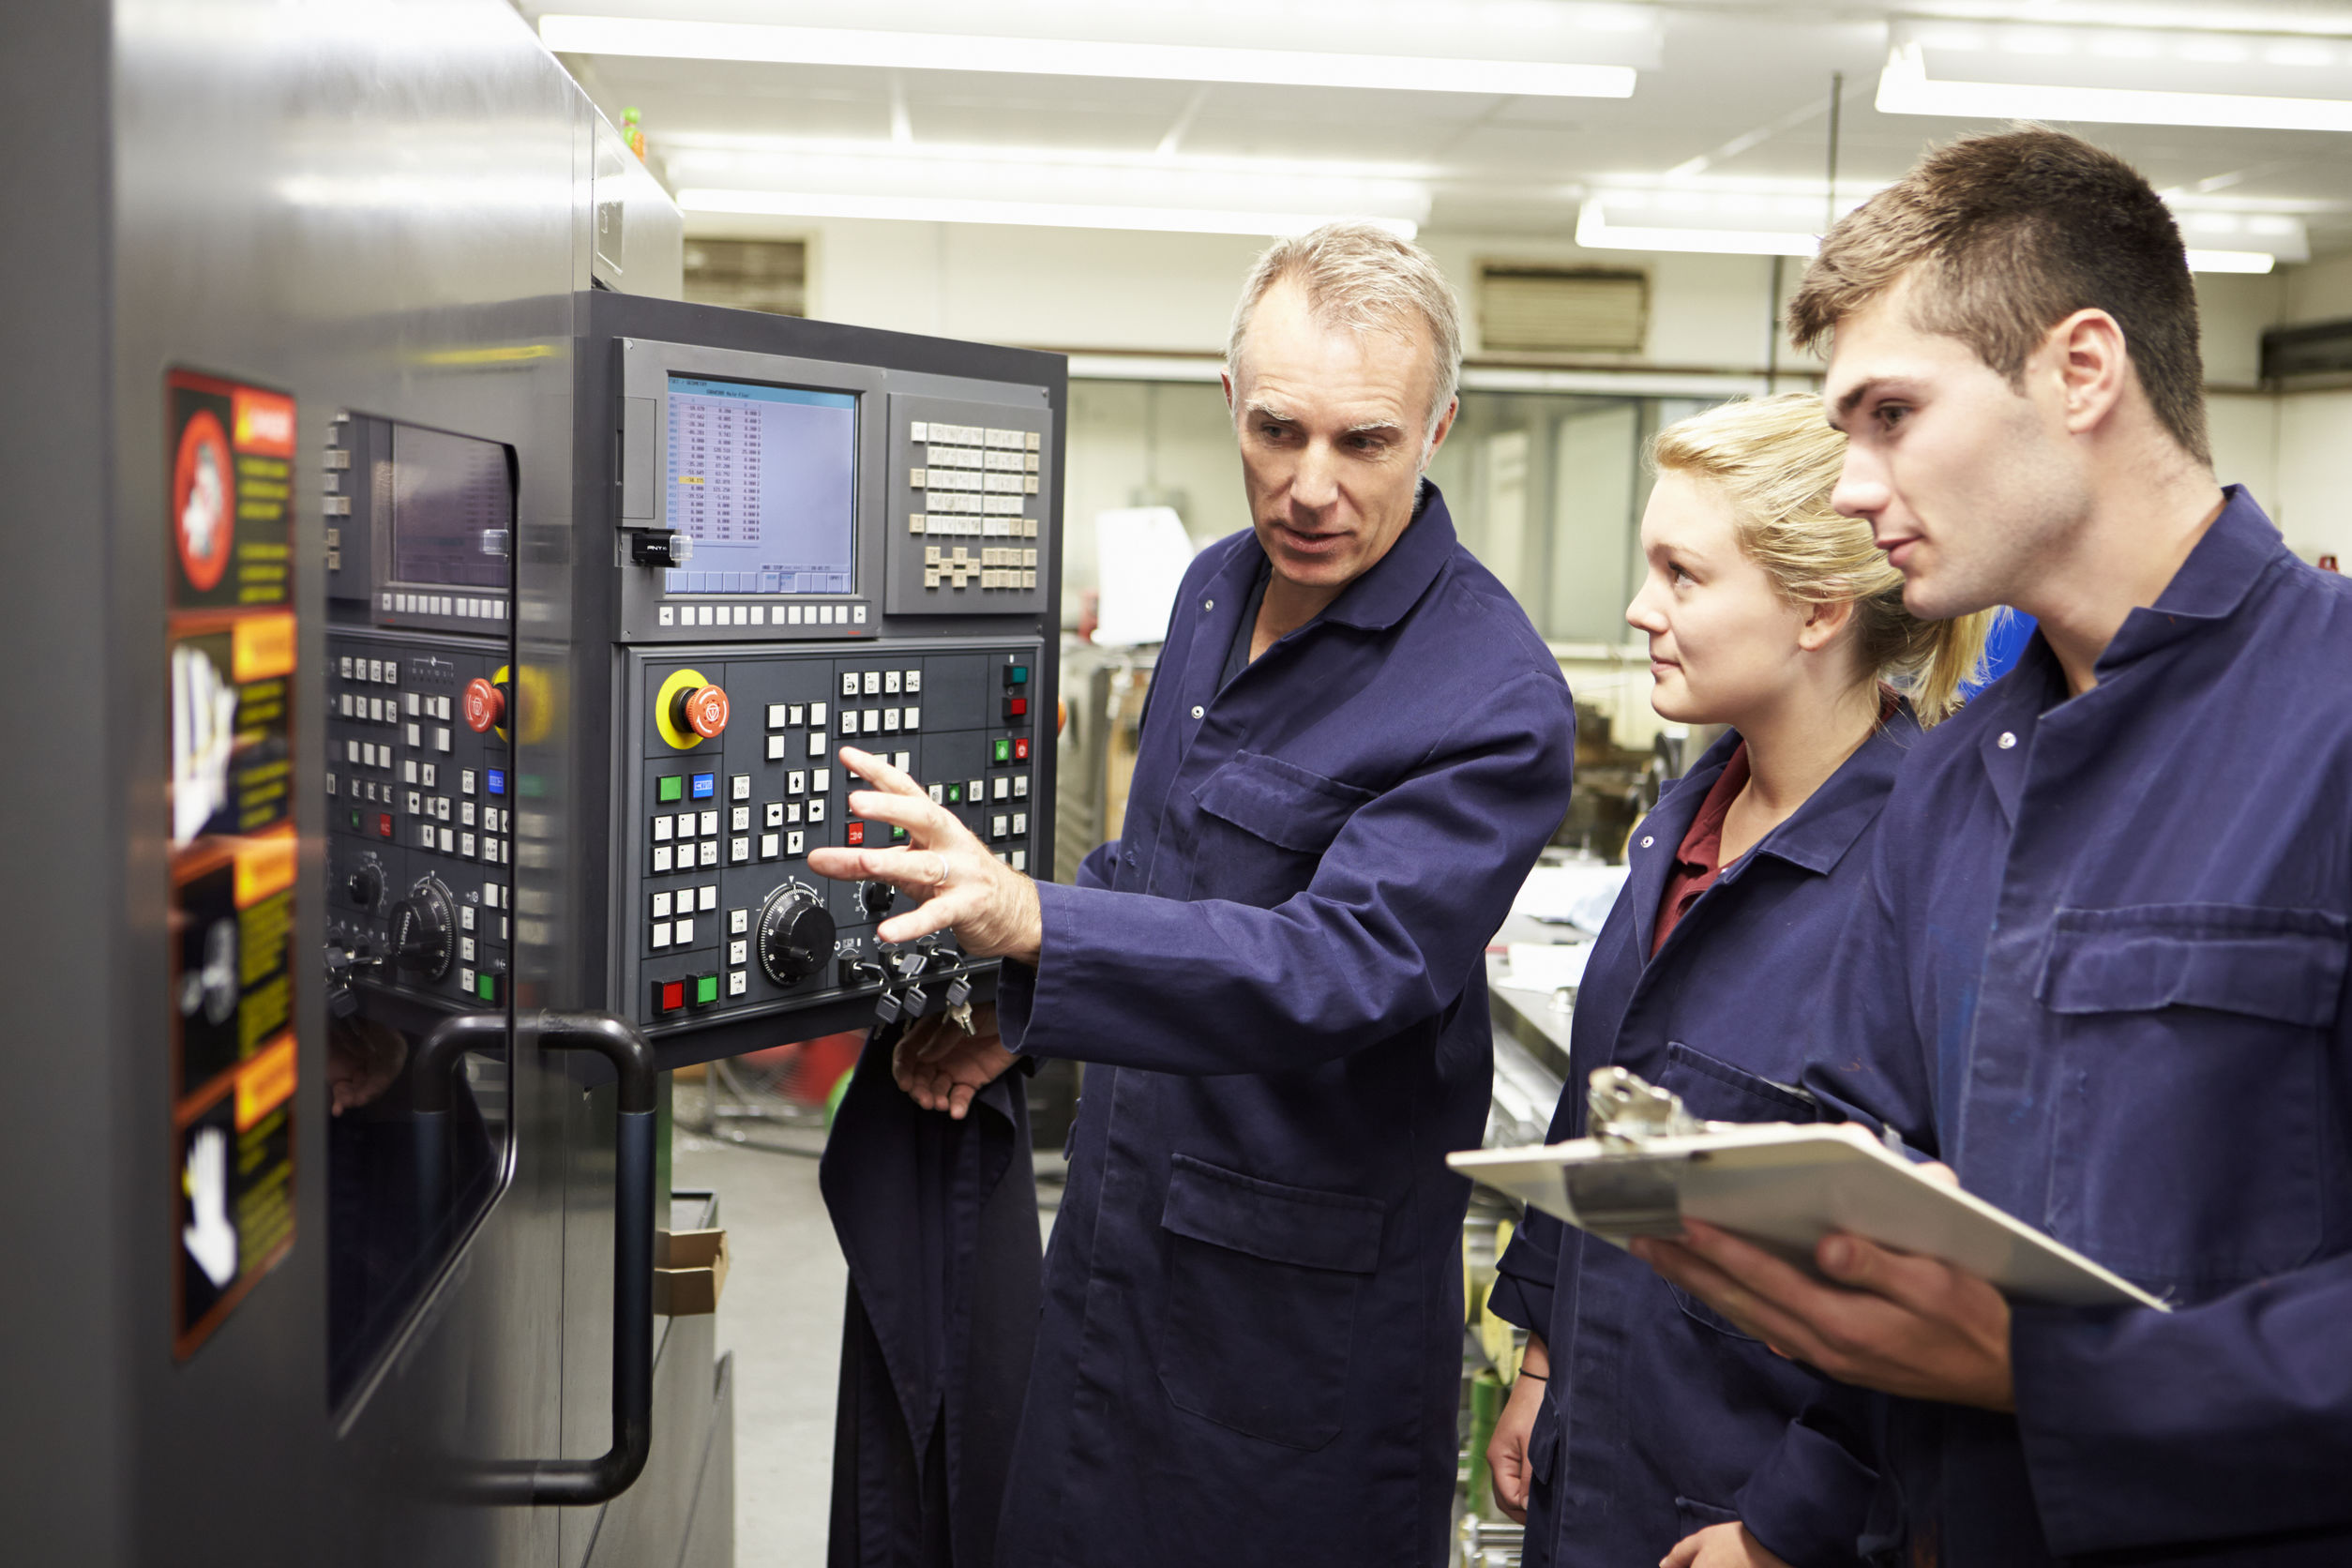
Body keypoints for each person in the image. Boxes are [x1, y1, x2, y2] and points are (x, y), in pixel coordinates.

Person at [808, 221, 1577, 1564]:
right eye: (1278, 430)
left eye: (1365, 442)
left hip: (1298, 1334)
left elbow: (1338, 967)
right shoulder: (1220, 591)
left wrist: (1036, 920)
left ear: (1438, 426)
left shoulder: (1494, 700)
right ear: (1231, 399)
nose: (1311, 486)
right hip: (1115, 1257)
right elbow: (1155, 865)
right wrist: (1024, 1010)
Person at [1635, 128, 2352, 1566]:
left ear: (2081, 371)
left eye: (1889, 414)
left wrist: (2054, 1371)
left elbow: (2002, 1341)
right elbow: (1899, 1206)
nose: (1848, 486)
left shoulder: (2330, 723)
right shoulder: (1957, 780)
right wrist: (1784, 1527)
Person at [1482, 394, 1989, 1568]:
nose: (1639, 607)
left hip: (1736, 1496)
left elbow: (1931, 1268)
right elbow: (1597, 1116)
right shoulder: (1688, 819)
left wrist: (1783, 1528)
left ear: (1817, 609)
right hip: (1597, 1455)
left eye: (1682, 575)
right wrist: (1543, 1360)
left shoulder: (1919, 874)